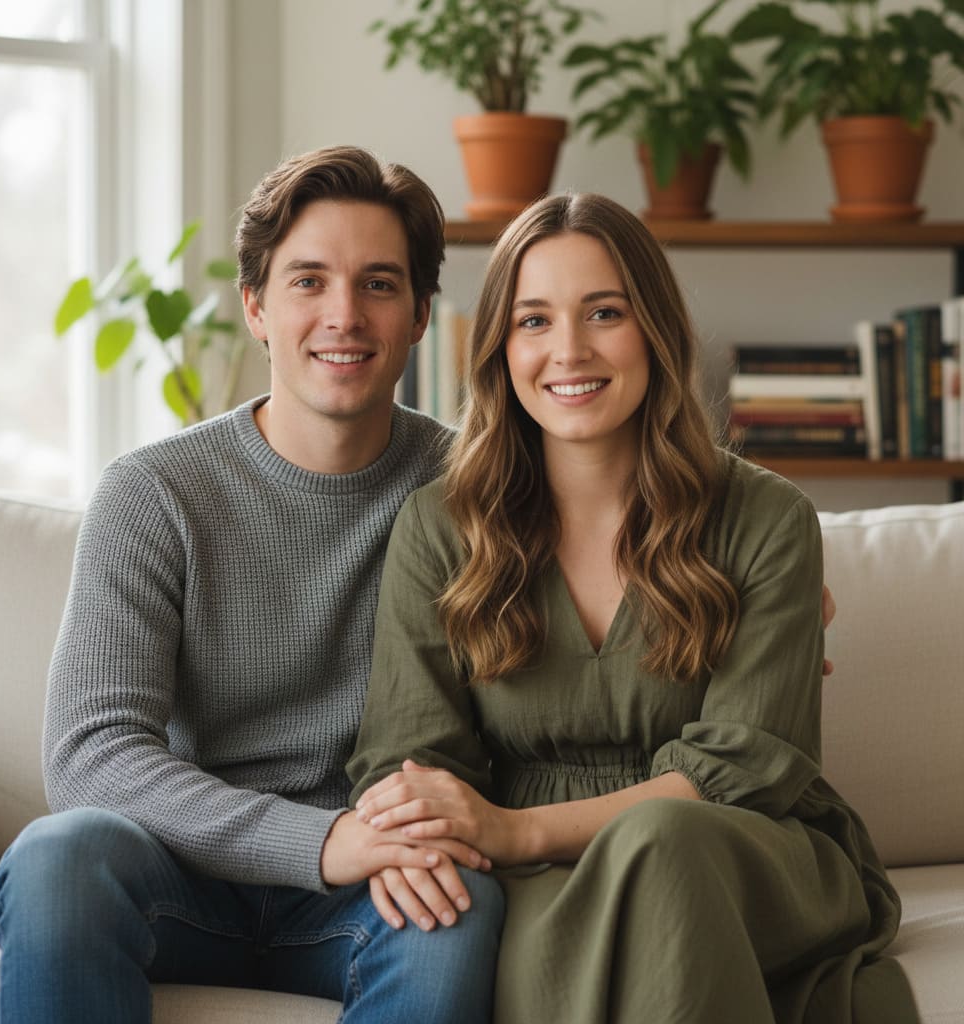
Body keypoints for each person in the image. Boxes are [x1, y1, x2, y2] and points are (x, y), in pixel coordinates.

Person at [348, 192, 919, 1023]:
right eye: (534, 321)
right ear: (501, 348)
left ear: (654, 327)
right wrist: (466, 831)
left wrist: (518, 830)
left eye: (604, 312)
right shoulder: (440, 527)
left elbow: (746, 768)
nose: (568, 350)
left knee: (664, 843)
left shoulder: (767, 519)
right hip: (527, 873)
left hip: (741, 851)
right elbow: (409, 761)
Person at [0, 146, 504, 1023]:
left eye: (379, 284)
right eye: (309, 281)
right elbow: (90, 755)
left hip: (372, 891)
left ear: (422, 314)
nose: (343, 315)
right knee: (59, 857)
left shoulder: (478, 485)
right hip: (181, 871)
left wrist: (754, 572)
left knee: (455, 904)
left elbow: (629, 489)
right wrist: (324, 839)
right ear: (257, 307)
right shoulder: (154, 493)